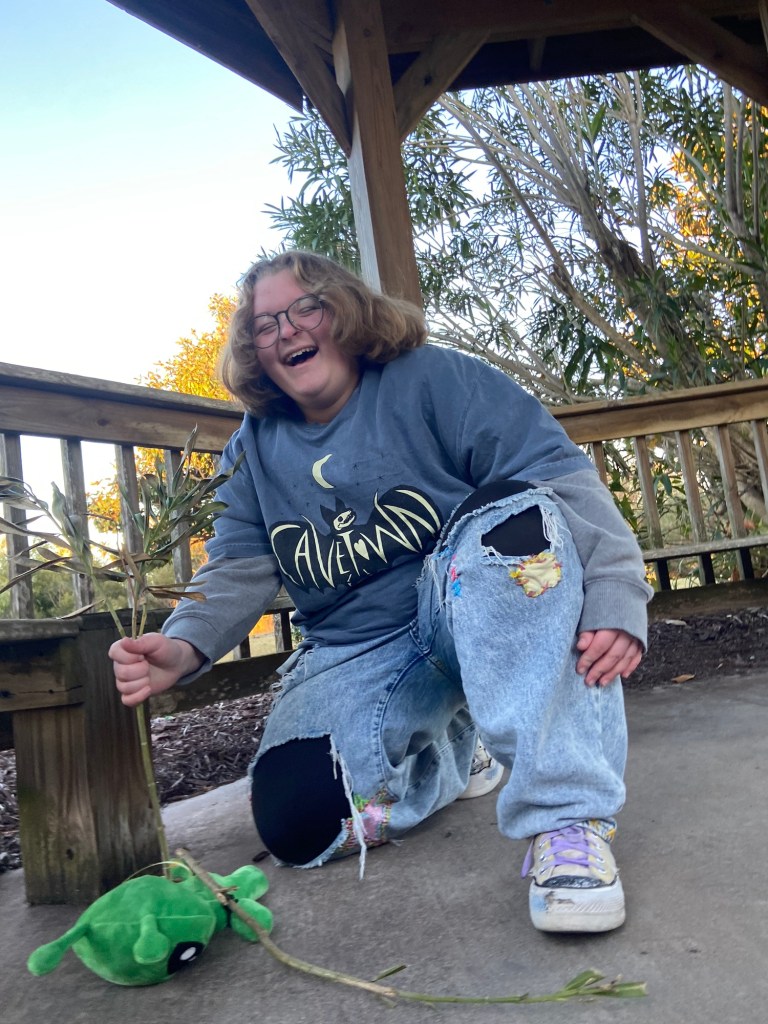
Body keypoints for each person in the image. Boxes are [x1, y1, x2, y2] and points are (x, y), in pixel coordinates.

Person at [110, 251, 652, 934]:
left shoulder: (437, 379)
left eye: (305, 308)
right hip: (358, 646)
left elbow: (555, 473)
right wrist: (185, 643)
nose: (285, 330)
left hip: (472, 605)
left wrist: (617, 588)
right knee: (300, 824)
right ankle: (458, 750)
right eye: (264, 325)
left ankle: (568, 822)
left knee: (517, 518)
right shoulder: (252, 447)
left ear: (345, 311)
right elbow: (237, 563)